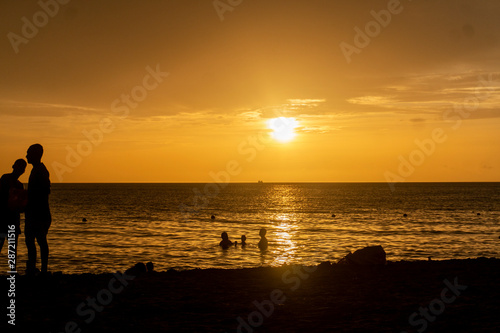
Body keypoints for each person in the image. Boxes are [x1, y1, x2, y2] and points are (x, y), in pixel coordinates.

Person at [24, 144, 52, 275]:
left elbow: (45, 190)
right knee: (30, 240)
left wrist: (31, 197)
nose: (26, 156)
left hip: (39, 213)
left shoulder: (40, 170)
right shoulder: (36, 169)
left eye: (28, 153)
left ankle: (43, 269)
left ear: (35, 155)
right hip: (34, 212)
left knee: (40, 240)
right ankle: (32, 267)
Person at [0, 159, 28, 269]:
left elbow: (20, 205)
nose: (20, 170)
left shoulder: (20, 185)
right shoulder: (5, 179)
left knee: (12, 248)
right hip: (3, 220)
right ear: (14, 166)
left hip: (12, 220)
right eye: (19, 167)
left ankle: (13, 271)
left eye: (22, 168)